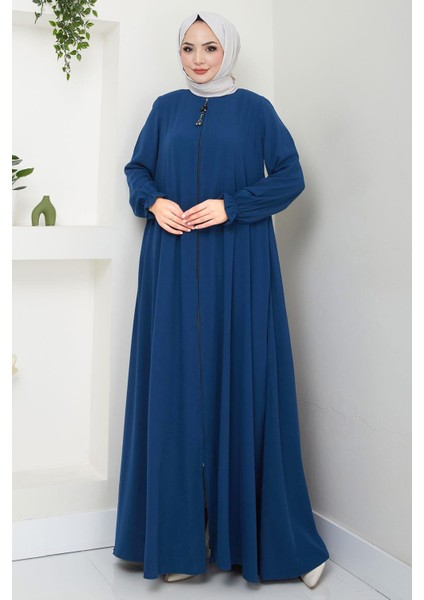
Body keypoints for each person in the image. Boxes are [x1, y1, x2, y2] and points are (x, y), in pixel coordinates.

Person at [113, 10, 329, 588]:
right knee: (175, 394)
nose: (199, 58)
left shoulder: (257, 110)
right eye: (188, 48)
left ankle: (277, 543)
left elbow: (290, 176)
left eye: (209, 47)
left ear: (227, 50)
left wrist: (232, 206)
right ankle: (180, 542)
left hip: (240, 264)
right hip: (173, 264)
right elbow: (137, 169)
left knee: (245, 386)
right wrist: (154, 202)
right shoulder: (165, 109)